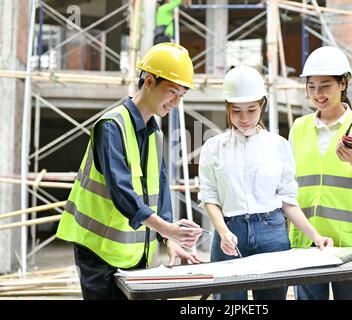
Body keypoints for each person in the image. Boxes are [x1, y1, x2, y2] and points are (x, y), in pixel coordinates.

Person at [56, 42, 205, 300]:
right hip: (99, 253)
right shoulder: (111, 127)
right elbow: (121, 191)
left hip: (137, 256)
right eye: (172, 92)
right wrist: (168, 229)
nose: (176, 103)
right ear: (148, 81)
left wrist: (169, 240)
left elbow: (160, 193)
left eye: (182, 95)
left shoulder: (155, 133)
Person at [198, 65, 333, 300]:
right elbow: (209, 196)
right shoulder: (213, 147)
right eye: (236, 111)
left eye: (251, 110)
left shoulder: (278, 145)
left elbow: (288, 200)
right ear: (228, 109)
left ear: (262, 104)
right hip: (229, 232)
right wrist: (223, 231)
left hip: (272, 233)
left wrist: (315, 236)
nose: (244, 118)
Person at [289, 46, 352, 300]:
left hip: (351, 245)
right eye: (311, 87)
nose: (317, 94)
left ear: (343, 83)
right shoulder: (299, 127)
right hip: (307, 242)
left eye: (325, 86)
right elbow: (288, 184)